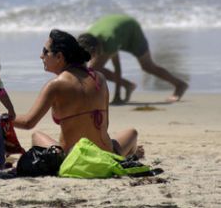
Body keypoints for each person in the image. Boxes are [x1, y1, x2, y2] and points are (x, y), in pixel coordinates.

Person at [12, 29, 141, 158]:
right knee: (132, 133)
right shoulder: (100, 78)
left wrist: (1, 117)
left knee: (37, 136)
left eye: (45, 51)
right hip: (105, 155)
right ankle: (130, 156)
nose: (41, 56)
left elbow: (28, 123)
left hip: (73, 159)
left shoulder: (55, 85)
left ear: (59, 57)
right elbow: (105, 124)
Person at [80, 14, 189, 104]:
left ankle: (180, 85)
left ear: (97, 47)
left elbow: (117, 66)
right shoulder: (85, 40)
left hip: (132, 31)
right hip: (116, 29)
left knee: (147, 66)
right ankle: (128, 85)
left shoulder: (110, 41)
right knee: (93, 68)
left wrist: (117, 95)